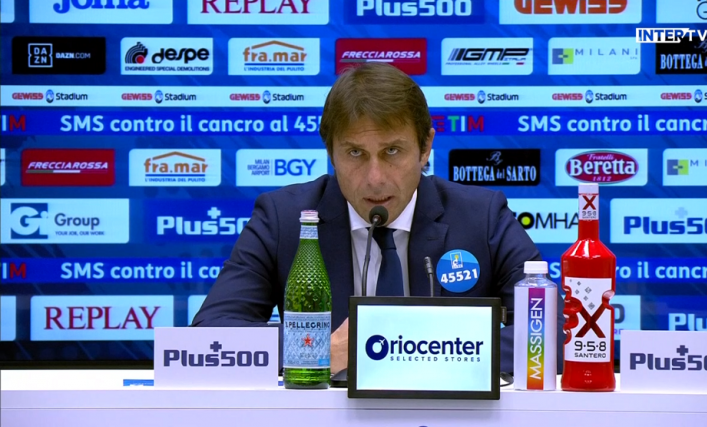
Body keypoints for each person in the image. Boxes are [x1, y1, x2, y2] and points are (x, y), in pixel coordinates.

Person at [191, 62, 566, 375]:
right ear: (331, 153)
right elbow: (210, 337)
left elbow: (553, 333)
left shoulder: (481, 217)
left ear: (425, 148)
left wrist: (419, 351)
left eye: (392, 151)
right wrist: (319, 350)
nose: (375, 178)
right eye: (355, 153)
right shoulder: (285, 219)